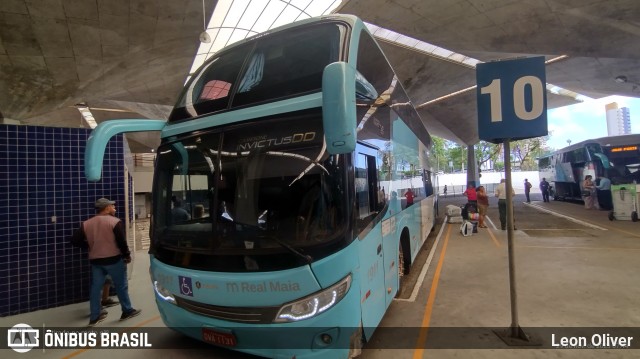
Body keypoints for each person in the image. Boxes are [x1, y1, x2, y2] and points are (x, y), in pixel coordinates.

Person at [81, 198, 141, 326]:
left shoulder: (87, 223)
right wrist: (127, 255)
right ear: (106, 208)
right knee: (121, 285)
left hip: (96, 261)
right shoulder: (114, 222)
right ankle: (127, 310)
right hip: (114, 260)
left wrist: (91, 246)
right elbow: (121, 241)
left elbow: (75, 240)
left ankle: (95, 317)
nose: (114, 207)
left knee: (96, 287)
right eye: (112, 206)